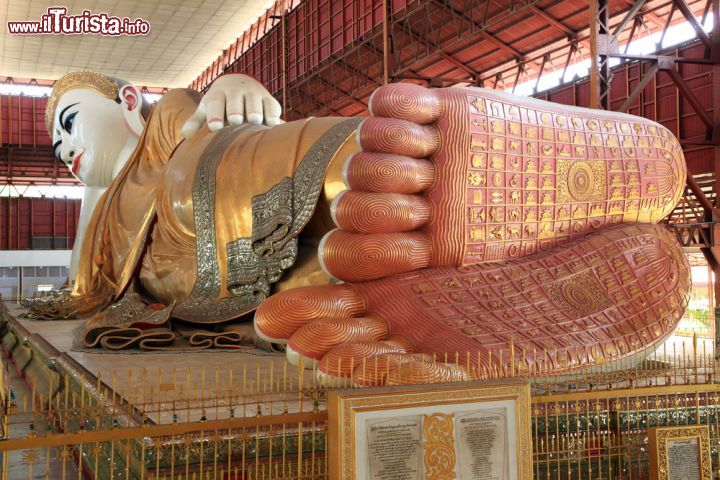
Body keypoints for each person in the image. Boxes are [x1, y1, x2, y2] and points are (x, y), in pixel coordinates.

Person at [47, 71, 690, 384]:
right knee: (328, 278)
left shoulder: (162, 125)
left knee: (343, 175)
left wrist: (231, 85)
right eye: (53, 144)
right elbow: (91, 290)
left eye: (69, 122)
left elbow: (199, 113)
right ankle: (458, 272)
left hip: (217, 177)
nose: (59, 148)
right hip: (210, 283)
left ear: (128, 100)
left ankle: (436, 168)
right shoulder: (105, 214)